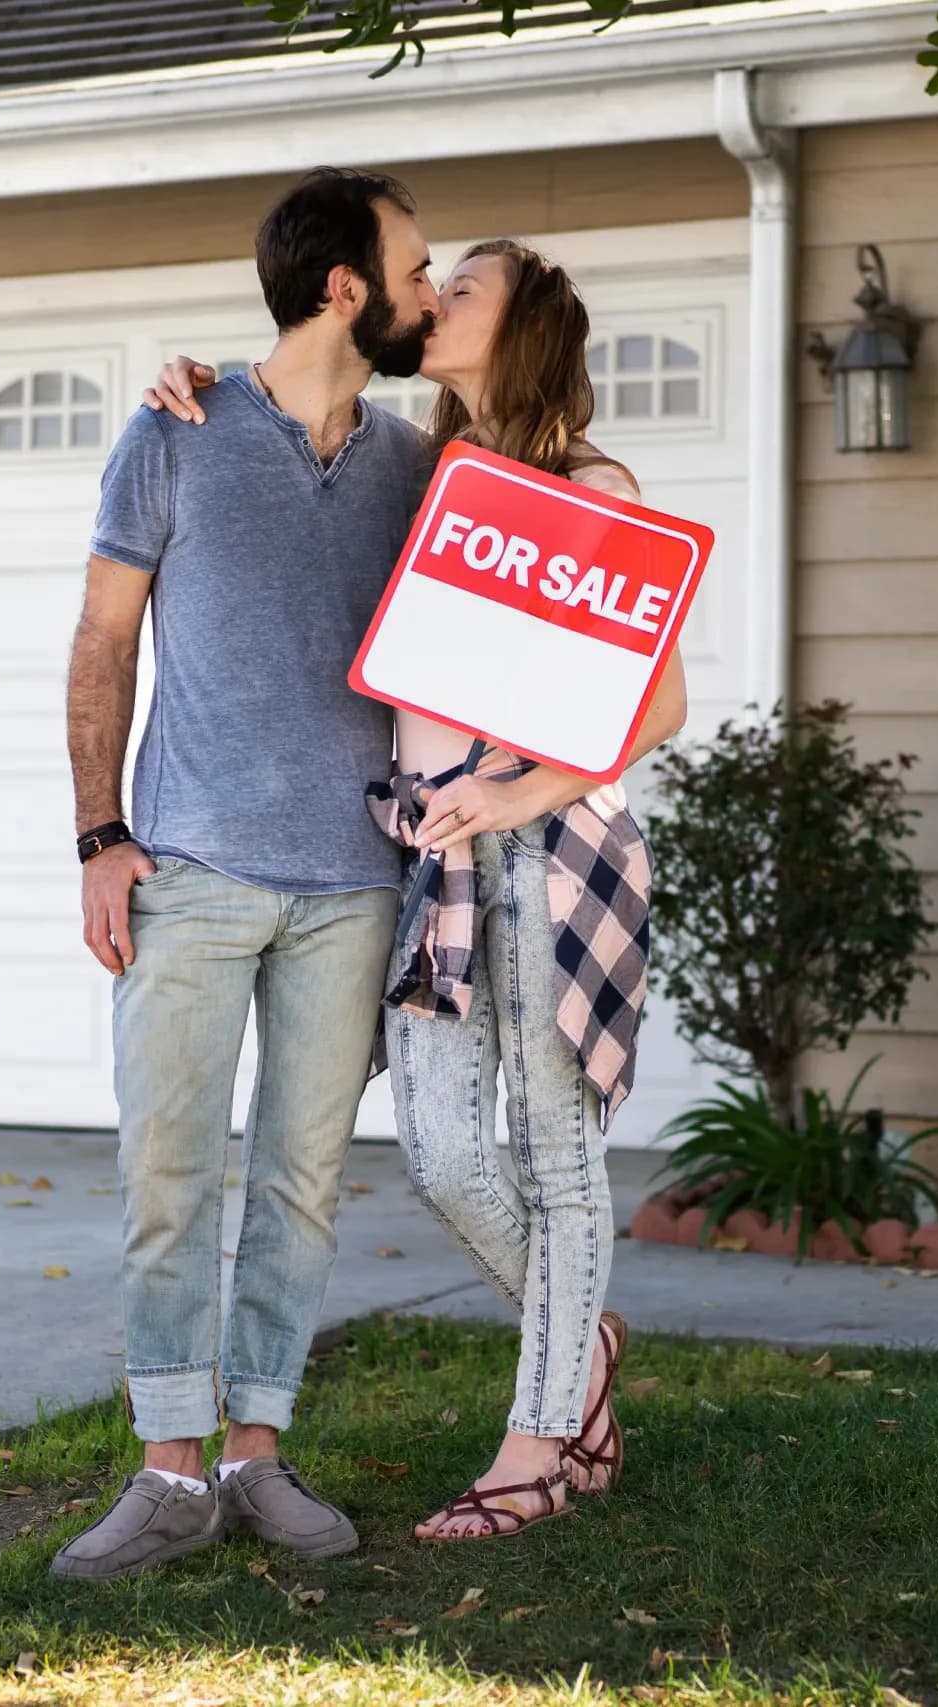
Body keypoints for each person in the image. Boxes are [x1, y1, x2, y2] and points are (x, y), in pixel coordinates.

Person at [143, 236, 688, 1540]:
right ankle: (584, 1351)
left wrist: (514, 794)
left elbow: (655, 703)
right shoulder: (424, 471)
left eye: (468, 289)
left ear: (530, 323)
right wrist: (203, 386)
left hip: (548, 848)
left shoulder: (585, 482)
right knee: (446, 1154)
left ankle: (534, 1449)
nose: (436, 302)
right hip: (430, 859)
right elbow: (297, 421)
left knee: (557, 1159)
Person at [52, 166, 440, 1581]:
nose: (427, 292)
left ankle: (257, 1452)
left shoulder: (413, 465)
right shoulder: (178, 431)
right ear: (344, 287)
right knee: (168, 1174)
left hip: (355, 880)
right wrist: (102, 840)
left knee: (302, 1179)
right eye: (413, 269)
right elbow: (103, 643)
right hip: (193, 871)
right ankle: (167, 1470)